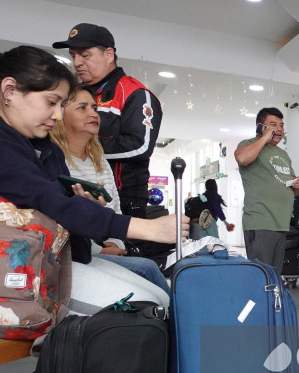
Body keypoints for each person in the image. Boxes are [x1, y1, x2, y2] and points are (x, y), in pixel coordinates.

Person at [0, 46, 186, 313]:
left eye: (61, 105)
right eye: (51, 103)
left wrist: (84, 207)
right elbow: (49, 201)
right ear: (9, 90)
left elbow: (59, 204)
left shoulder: (46, 147)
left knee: (161, 300)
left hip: (60, 259)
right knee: (148, 308)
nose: (57, 115)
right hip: (22, 272)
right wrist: (148, 228)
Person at [49, 84, 170, 295]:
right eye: (82, 107)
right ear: (60, 114)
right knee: (148, 272)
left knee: (153, 283)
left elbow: (115, 209)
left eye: (94, 108)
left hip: (100, 249)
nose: (93, 114)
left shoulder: (100, 160)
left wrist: (114, 243)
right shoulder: (54, 160)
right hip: (72, 255)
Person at [53, 23, 163, 219]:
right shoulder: (71, 93)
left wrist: (85, 145)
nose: (77, 62)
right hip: (73, 185)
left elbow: (140, 145)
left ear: (109, 54)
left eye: (85, 55)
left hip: (123, 195)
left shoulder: (134, 93)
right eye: (73, 55)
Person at [234, 107, 299, 274]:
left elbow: (292, 192)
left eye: (281, 125)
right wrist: (264, 138)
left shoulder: (283, 155)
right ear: (260, 127)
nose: (279, 129)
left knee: (273, 275)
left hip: (281, 224)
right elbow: (242, 158)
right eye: (273, 125)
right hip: (260, 223)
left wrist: (297, 187)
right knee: (261, 275)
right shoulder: (248, 144)